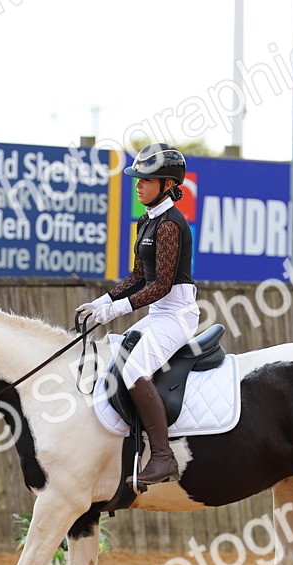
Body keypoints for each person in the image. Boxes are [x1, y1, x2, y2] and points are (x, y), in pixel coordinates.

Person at [76, 143, 199, 487]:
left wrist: (113, 310)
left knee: (133, 369)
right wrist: (100, 303)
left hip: (177, 314)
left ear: (168, 184)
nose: (138, 184)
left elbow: (160, 285)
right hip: (160, 311)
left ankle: (163, 457)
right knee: (115, 351)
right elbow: (137, 277)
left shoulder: (172, 225)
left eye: (146, 179)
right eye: (137, 179)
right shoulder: (145, 221)